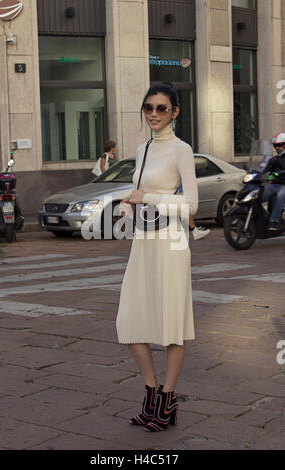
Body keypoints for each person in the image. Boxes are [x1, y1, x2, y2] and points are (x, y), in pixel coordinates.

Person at [116, 82, 198, 432]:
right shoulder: (141, 149)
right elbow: (140, 194)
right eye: (148, 107)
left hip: (170, 243)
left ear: (174, 112)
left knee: (171, 325)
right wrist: (127, 203)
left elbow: (190, 205)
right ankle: (151, 392)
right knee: (130, 321)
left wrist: (147, 196)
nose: (153, 113)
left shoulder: (182, 150)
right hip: (143, 241)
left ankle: (168, 398)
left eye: (161, 108)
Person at [261, 133, 285, 231]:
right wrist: (255, 174)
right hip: (275, 184)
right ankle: (262, 217)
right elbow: (264, 170)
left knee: (279, 196)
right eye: (275, 145)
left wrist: (279, 173)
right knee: (259, 195)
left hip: (284, 185)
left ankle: (273, 222)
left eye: (278, 145)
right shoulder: (274, 159)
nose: (276, 148)